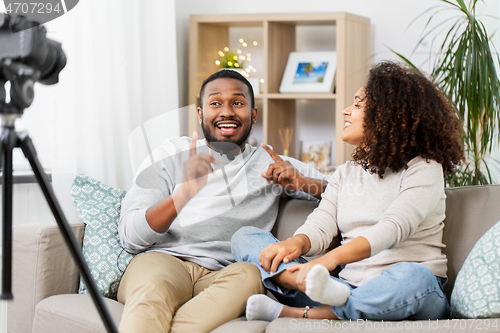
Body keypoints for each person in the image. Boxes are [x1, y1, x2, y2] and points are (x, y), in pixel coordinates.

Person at [232, 61, 465, 322]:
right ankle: (300, 283)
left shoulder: (424, 168)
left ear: (387, 115)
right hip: (341, 290)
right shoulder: (346, 172)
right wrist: (295, 244)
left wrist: (325, 262)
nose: (346, 111)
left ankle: (301, 313)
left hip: (406, 293)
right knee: (245, 237)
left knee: (415, 278)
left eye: (357, 104)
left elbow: (391, 230)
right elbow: (322, 223)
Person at [116, 69, 328, 333]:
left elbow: (340, 194)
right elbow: (130, 236)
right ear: (200, 113)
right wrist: (183, 194)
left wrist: (301, 183)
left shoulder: (269, 162)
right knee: (151, 291)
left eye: (237, 103)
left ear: (253, 114)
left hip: (226, 272)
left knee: (251, 276)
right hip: (164, 261)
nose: (226, 112)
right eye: (215, 103)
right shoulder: (169, 153)